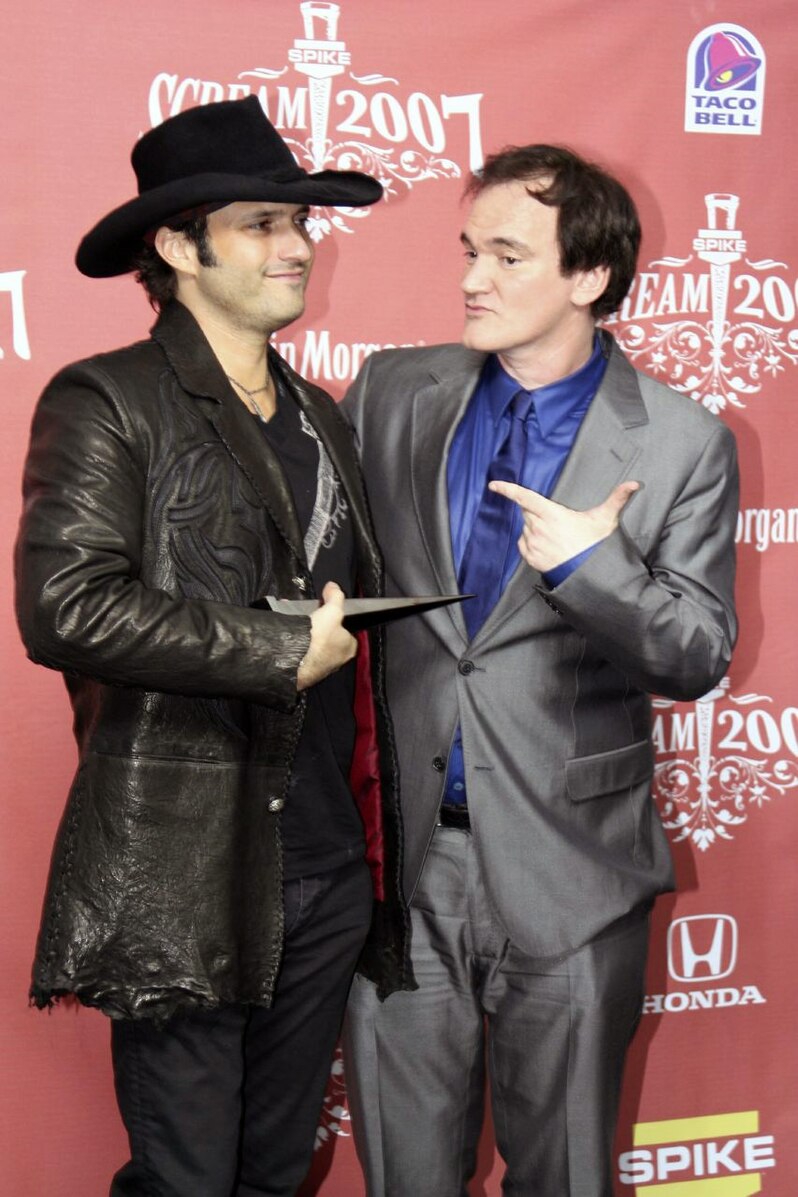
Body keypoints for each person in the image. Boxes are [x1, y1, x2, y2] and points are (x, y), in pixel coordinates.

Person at [14, 95, 414, 1197]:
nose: (298, 246)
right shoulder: (106, 399)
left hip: (324, 866)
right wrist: (274, 650)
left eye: (301, 223)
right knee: (187, 1180)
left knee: (273, 1173)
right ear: (180, 247)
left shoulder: (321, 414)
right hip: (184, 867)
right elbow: (65, 607)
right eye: (261, 225)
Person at [341, 144, 738, 1195]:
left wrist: (590, 570)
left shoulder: (684, 442)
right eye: (469, 250)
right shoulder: (391, 391)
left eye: (508, 256)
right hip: (400, 870)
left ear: (589, 275)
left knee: (563, 1175)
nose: (472, 278)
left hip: (574, 875)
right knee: (404, 1177)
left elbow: (698, 654)